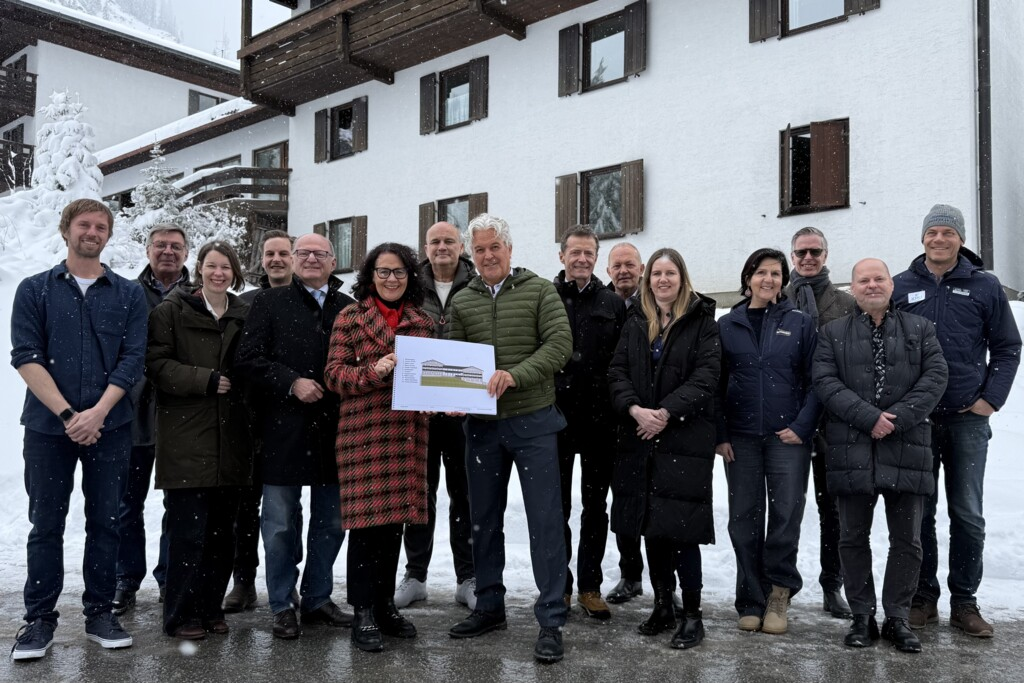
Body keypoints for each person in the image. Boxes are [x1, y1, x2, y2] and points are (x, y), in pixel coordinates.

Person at [10, 199, 146, 660]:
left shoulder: (128, 294)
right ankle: (39, 621)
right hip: (49, 430)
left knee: (107, 522)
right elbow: (26, 356)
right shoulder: (35, 290)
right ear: (66, 230)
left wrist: (98, 413)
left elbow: (133, 361)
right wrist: (70, 416)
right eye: (84, 225)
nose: (92, 232)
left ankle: (99, 612)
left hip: (112, 428)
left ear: (109, 235)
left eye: (101, 226)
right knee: (45, 524)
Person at [446, 213, 573, 663]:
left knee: (545, 522)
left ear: (509, 249)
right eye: (478, 250)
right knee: (483, 519)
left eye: (493, 247)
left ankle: (552, 617)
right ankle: (490, 605)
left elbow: (559, 345)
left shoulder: (540, 291)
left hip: (534, 423)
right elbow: (454, 356)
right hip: (482, 428)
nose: (486, 256)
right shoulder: (463, 300)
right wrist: (452, 394)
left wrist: (515, 375)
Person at [892, 204, 1022, 637]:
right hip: (918, 422)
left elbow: (1007, 347)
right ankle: (923, 597)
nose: (939, 239)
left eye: (948, 231)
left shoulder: (984, 287)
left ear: (961, 239)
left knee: (967, 514)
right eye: (933, 231)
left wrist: (991, 400)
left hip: (968, 420)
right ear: (923, 237)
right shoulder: (900, 285)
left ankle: (965, 601)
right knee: (919, 513)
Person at [814, 258, 948, 653]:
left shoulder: (921, 329)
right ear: (852, 288)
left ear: (892, 285)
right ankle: (861, 616)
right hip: (851, 446)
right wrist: (869, 417)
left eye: (879, 279)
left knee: (907, 539)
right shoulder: (832, 333)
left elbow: (936, 377)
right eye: (863, 280)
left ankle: (898, 617)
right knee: (853, 537)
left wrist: (897, 419)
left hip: (907, 445)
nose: (872, 285)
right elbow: (824, 381)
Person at [235, 233, 355, 639]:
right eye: (302, 252)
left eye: (319, 253)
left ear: (333, 261)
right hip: (283, 429)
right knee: (280, 523)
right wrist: (291, 382)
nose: (310, 259)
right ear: (294, 259)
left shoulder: (347, 308)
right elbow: (248, 359)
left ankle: (318, 598)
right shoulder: (269, 303)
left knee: (332, 521)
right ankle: (282, 603)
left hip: (336, 430)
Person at [324, 242, 435, 653]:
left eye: (399, 272)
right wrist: (373, 370)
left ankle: (386, 605)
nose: (391, 279)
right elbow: (334, 375)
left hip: (407, 435)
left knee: (394, 527)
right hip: (364, 435)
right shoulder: (349, 317)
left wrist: (447, 399)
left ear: (410, 277)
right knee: (367, 528)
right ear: (371, 276)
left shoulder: (423, 321)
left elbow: (434, 377)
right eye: (384, 272)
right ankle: (364, 610)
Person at [607, 248, 720, 649]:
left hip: (684, 440)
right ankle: (662, 604)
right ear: (647, 278)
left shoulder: (703, 321)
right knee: (651, 528)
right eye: (656, 273)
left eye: (670, 273)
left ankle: (693, 614)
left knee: (683, 530)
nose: (662, 280)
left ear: (681, 277)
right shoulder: (637, 320)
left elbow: (707, 377)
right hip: (640, 439)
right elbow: (617, 372)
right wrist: (636, 409)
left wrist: (666, 412)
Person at [147, 241, 252, 639]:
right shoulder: (171, 312)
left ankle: (210, 608)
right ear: (200, 270)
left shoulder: (244, 313)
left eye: (225, 267)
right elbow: (156, 365)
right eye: (211, 266)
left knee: (221, 535)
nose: (218, 273)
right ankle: (180, 615)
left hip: (232, 439)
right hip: (187, 437)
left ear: (234, 272)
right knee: (188, 534)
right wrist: (203, 380)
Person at [716, 247, 819, 635]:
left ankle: (779, 592)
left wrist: (802, 426)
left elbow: (816, 380)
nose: (768, 280)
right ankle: (749, 597)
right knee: (743, 517)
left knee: (785, 515)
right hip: (740, 438)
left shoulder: (801, 323)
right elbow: (716, 384)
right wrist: (720, 434)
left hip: (786, 438)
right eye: (761, 273)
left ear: (783, 280)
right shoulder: (728, 324)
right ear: (748, 278)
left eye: (776, 274)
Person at [394, 222, 477, 610]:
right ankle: (415, 575)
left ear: (462, 247)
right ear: (424, 248)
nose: (442, 247)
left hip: (464, 411)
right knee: (418, 494)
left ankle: (468, 577)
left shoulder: (477, 287)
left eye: (449, 241)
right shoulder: (409, 290)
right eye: (434, 241)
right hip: (419, 411)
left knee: (465, 495)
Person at [114, 223, 190, 615]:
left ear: (186, 253)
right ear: (147, 250)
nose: (167, 252)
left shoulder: (198, 295)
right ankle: (126, 578)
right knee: (128, 503)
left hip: (183, 417)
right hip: (132, 413)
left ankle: (169, 577)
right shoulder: (125, 293)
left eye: (175, 246)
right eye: (160, 245)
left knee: (178, 504)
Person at [554, 225, 626, 620]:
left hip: (600, 424)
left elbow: (620, 364)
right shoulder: (545, 298)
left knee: (596, 508)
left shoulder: (612, 303)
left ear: (596, 258)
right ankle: (559, 585)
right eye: (575, 252)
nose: (582, 259)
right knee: (557, 507)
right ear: (561, 256)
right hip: (556, 421)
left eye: (589, 253)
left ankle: (590, 586)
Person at [783, 226, 854, 620]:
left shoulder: (846, 303)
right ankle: (782, 584)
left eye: (815, 251)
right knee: (787, 508)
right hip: (790, 422)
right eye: (801, 253)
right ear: (792, 257)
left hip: (834, 424)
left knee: (835, 512)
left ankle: (833, 585)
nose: (808, 259)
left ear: (826, 255)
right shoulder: (778, 298)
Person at [224, 229, 295, 613]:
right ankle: (244, 581)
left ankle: (288, 584)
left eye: (284, 253)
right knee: (245, 507)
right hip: (250, 417)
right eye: (270, 254)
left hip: (293, 417)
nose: (277, 260)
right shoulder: (244, 303)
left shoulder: (306, 302)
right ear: (261, 260)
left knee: (287, 510)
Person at [602, 242, 653, 607]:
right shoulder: (603, 304)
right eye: (617, 265)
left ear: (642, 268)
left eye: (630, 264)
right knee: (623, 503)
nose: (623, 271)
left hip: (648, 418)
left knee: (653, 501)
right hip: (608, 419)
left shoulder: (654, 305)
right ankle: (629, 574)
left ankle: (663, 581)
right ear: (608, 271)